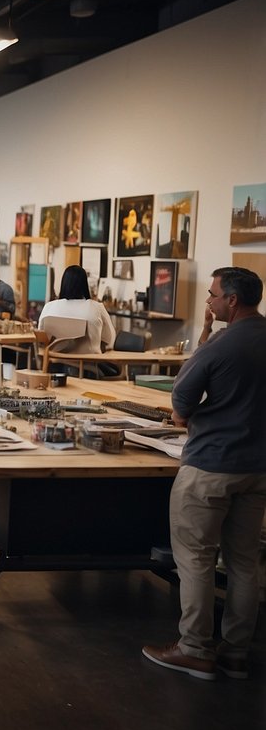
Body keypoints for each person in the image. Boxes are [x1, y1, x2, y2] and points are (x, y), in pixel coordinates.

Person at [142, 267, 266, 681]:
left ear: (232, 300)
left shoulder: (223, 344)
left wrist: (184, 415)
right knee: (245, 562)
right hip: (258, 468)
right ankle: (235, 653)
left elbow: (181, 397)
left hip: (211, 465)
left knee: (195, 557)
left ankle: (195, 648)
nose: (209, 302)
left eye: (213, 295)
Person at [37, 265, 115, 354]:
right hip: (89, 364)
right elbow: (111, 341)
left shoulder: (49, 307)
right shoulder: (96, 307)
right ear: (84, 284)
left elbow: (41, 339)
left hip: (54, 364)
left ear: (63, 283)